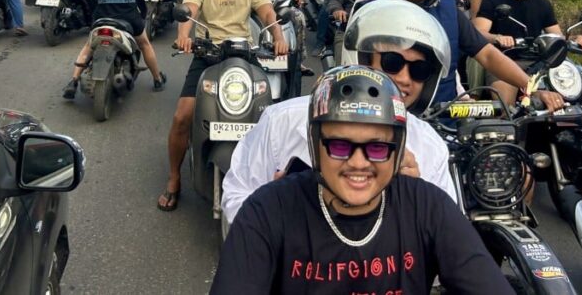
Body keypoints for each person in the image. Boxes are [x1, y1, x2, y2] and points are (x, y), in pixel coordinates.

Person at [211, 65, 513, 295]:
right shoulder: (267, 211)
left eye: (377, 148)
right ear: (315, 145)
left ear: (398, 150)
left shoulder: (429, 207)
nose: (358, 163)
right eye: (339, 146)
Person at [222, 0, 457, 224]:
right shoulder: (283, 122)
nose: (404, 79)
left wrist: (418, 199)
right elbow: (236, 197)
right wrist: (278, 206)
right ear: (361, 60)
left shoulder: (428, 146)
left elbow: (447, 234)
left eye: (420, 69)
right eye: (392, 63)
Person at [159, 0, 288, 212]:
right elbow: (189, 10)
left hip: (244, 53)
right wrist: (185, 36)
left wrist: (278, 36)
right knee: (182, 116)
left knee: (269, 115)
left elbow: (267, 13)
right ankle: (174, 178)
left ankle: (272, 177)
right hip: (207, 53)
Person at [384, 0, 562, 110]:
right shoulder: (375, 11)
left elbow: (487, 54)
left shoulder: (450, 11)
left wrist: (533, 88)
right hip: (387, 111)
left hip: (442, 118)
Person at [474, 0, 582, 103]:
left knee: (571, 93)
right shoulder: (492, 0)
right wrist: (498, 38)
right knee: (506, 104)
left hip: (540, 64)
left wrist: (575, 38)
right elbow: (479, 32)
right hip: (504, 61)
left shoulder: (542, 4)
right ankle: (507, 124)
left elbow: (556, 36)